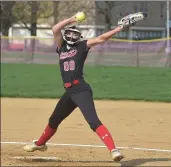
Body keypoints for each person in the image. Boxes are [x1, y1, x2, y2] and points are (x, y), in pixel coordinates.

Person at [23, 13, 130, 162]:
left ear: (79, 37)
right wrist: (71, 19)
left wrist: (118, 29)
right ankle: (40, 144)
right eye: (70, 33)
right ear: (66, 34)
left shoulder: (82, 46)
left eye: (75, 34)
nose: (72, 36)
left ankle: (114, 150)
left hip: (81, 90)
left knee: (93, 122)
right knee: (54, 120)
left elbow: (101, 38)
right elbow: (55, 29)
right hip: (70, 92)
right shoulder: (61, 47)